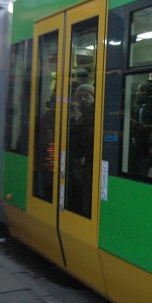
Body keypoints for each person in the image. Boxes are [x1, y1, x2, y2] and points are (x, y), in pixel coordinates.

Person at [68, 84, 95, 216]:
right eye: (80, 97)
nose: (83, 99)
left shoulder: (95, 116)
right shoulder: (80, 118)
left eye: (86, 96)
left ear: (94, 97)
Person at [129, 80, 152, 175]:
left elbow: (141, 127)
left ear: (144, 92)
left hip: (142, 144)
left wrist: (133, 123)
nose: (137, 93)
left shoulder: (143, 109)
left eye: (138, 91)